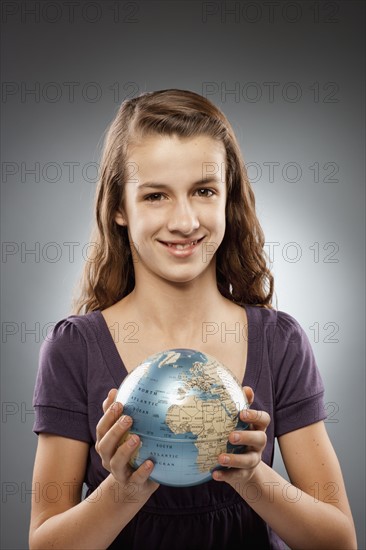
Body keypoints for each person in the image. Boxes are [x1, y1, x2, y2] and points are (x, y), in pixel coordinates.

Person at [29, 89, 357, 549]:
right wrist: (121, 491)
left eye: (203, 191)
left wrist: (251, 478)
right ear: (119, 208)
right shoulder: (73, 347)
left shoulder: (280, 340)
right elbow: (44, 543)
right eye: (156, 195)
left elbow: (338, 540)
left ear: (228, 199)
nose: (184, 221)